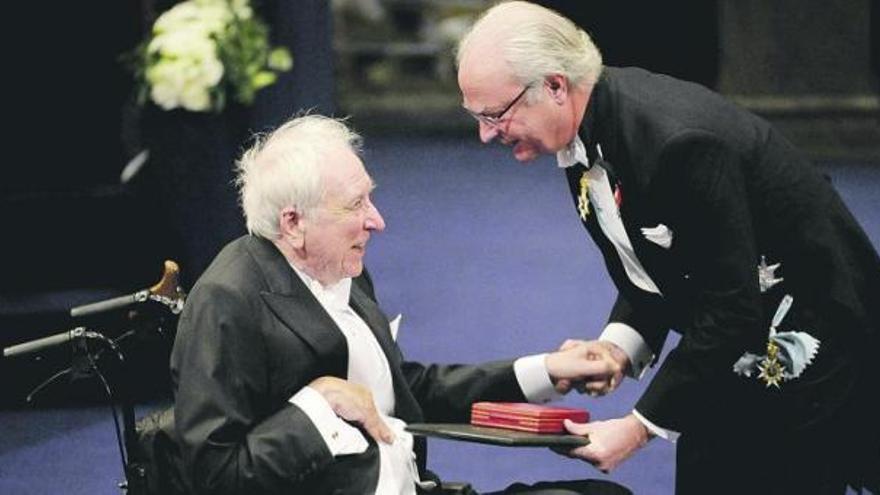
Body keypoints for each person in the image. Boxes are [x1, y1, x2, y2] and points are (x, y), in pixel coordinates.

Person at [455, 2, 880, 494]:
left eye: (495, 114)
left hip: (817, 342)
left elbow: (730, 305)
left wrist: (637, 428)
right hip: (737, 343)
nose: (485, 134)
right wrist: (618, 347)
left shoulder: (674, 144)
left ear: (554, 85)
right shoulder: (584, 125)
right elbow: (660, 265)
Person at [169, 114, 632, 495]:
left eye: (370, 196)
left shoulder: (340, 266)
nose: (378, 220)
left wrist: (549, 370)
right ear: (293, 223)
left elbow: (405, 391)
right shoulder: (227, 301)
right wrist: (318, 404)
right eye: (356, 205)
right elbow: (216, 478)